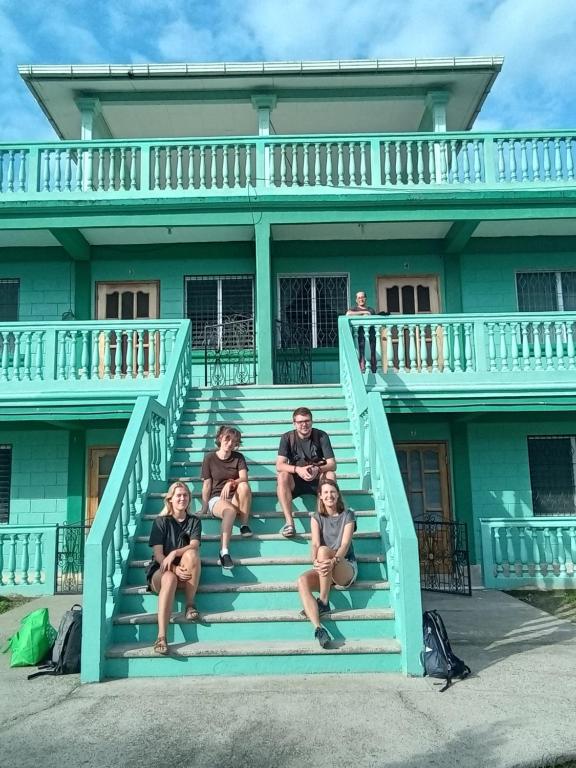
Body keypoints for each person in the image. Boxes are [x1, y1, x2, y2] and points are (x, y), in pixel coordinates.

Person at [297, 479, 358, 648]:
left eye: (332, 492)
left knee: (324, 551)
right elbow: (315, 544)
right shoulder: (316, 517)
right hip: (326, 568)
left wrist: (334, 560)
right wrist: (315, 562)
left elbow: (345, 544)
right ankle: (318, 628)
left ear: (338, 494)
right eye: (325, 493)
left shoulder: (348, 515)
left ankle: (323, 601)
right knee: (302, 580)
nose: (329, 496)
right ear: (320, 497)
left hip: (345, 566)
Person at [147, 481, 202, 655]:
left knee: (192, 554)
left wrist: (175, 553)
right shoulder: (161, 521)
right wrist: (172, 567)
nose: (182, 498)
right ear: (170, 499)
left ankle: (190, 605)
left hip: (185, 571)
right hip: (161, 572)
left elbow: (194, 545)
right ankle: (162, 636)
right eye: (178, 495)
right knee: (169, 578)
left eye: (185, 495)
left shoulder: (194, 521)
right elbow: (157, 554)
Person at [276, 407, 336, 538]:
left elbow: (332, 464)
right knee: (282, 476)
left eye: (307, 421)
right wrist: (298, 470)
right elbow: (279, 465)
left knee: (330, 474)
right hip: (296, 479)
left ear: (312, 422)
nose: (304, 424)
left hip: (316, 478)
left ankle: (329, 519)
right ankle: (289, 523)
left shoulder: (321, 436)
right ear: (294, 423)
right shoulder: (287, 437)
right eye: (300, 422)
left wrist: (318, 469)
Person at [200, 425, 252, 570]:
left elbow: (244, 478)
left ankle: (244, 524)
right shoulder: (209, 458)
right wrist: (204, 508)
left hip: (235, 497)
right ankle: (224, 552)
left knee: (244, 486)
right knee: (229, 511)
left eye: (234, 441)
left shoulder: (238, 458)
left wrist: (231, 483)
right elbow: (207, 485)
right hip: (217, 499)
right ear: (220, 438)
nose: (230, 443)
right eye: (227, 439)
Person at [346, 290, 377, 373]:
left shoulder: (371, 309)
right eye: (359, 298)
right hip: (359, 337)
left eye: (362, 297)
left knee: (372, 354)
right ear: (356, 300)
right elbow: (348, 314)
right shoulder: (354, 308)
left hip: (370, 337)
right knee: (361, 354)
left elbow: (369, 314)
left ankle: (374, 371)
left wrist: (365, 312)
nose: (361, 299)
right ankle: (362, 371)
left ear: (365, 298)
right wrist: (364, 312)